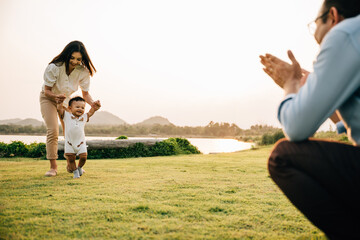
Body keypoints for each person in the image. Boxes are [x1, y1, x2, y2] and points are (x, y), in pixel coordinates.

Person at [259, 0, 360, 239]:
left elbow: (295, 128)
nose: (315, 32)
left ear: (332, 16)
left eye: (315, 23)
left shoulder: (343, 34)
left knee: (282, 156)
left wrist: (290, 85)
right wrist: (316, 88)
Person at [40, 40, 101, 177]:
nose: (75, 61)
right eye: (72, 58)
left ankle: (70, 164)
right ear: (67, 55)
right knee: (53, 130)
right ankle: (53, 167)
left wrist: (92, 104)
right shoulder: (54, 67)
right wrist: (56, 98)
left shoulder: (83, 71)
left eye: (79, 59)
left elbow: (85, 94)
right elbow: (47, 90)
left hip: (66, 102)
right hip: (48, 98)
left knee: (70, 130)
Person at [57, 96, 100, 178]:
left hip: (81, 143)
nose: (80, 109)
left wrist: (94, 108)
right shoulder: (66, 116)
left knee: (84, 157)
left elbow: (90, 113)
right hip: (69, 143)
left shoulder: (83, 117)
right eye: (77, 107)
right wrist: (59, 103)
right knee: (71, 159)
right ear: (70, 108)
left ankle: (80, 167)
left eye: (82, 107)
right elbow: (59, 110)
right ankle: (75, 172)